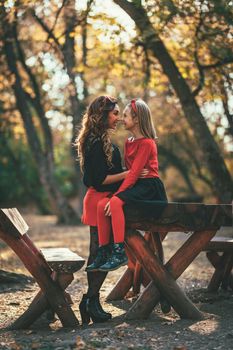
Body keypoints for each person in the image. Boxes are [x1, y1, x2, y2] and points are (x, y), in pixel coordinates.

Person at [76, 96, 147, 324]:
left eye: (119, 113)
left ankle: (90, 301)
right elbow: (98, 180)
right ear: (102, 114)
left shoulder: (100, 140)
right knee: (99, 253)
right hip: (99, 200)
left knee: (99, 253)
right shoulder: (95, 142)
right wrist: (130, 172)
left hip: (105, 200)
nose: (117, 118)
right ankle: (91, 301)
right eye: (114, 113)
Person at [86, 98, 167, 272]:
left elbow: (134, 173)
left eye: (125, 115)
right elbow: (130, 172)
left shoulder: (147, 143)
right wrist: (129, 178)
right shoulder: (129, 142)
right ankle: (104, 250)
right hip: (136, 184)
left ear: (137, 119)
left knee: (114, 202)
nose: (121, 119)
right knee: (102, 205)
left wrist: (117, 196)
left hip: (149, 187)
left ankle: (119, 251)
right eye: (118, 114)